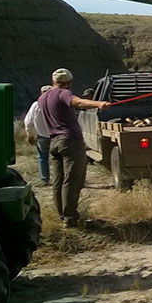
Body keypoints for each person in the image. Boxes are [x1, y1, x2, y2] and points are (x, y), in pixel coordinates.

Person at [38, 68, 110, 227]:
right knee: (73, 180)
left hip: (54, 142)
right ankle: (70, 217)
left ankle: (62, 215)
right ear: (68, 83)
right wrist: (98, 104)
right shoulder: (63, 93)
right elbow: (78, 102)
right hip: (70, 141)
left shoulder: (43, 97)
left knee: (59, 181)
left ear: (53, 80)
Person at [23, 84, 53, 185]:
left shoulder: (36, 105)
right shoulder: (56, 103)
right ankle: (61, 179)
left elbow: (28, 121)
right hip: (56, 135)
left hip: (42, 135)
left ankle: (45, 180)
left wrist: (29, 134)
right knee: (59, 158)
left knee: (42, 157)